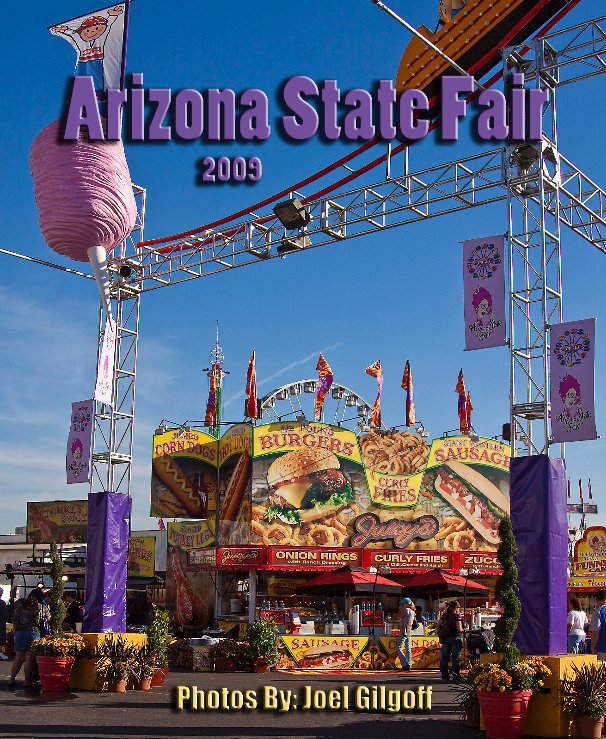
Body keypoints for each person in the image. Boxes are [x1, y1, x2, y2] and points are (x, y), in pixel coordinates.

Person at [9, 590, 49, 687]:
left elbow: (13, 620)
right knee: (29, 658)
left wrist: (15, 633)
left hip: (19, 633)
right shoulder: (41, 607)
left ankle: (11, 679)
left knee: (18, 658)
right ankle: (27, 681)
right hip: (33, 633)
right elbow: (47, 619)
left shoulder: (19, 606)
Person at [438, 600, 464, 682]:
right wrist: (464, 630)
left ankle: (445, 676)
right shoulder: (457, 616)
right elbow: (459, 628)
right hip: (455, 638)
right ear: (456, 608)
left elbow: (438, 624)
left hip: (445, 639)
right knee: (455, 658)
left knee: (444, 658)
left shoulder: (445, 615)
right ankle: (456, 676)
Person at [396, 597, 415, 672]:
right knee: (408, 648)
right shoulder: (413, 611)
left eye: (403, 603)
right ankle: (409, 664)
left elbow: (398, 616)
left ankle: (405, 664)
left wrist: (400, 609)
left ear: (407, 604)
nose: (402, 605)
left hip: (404, 630)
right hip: (409, 631)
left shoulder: (406, 610)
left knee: (398, 648)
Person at [590, 591, 606, 660]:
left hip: (602, 648)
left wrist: (592, 648)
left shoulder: (598, 612)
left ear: (597, 600)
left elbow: (595, 633)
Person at [0, 588, 9, 660]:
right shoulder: (2, 603)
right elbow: (5, 614)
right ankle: (0, 653)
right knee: (1, 637)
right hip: (0, 623)